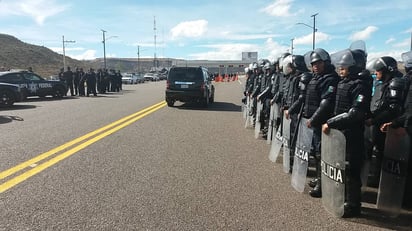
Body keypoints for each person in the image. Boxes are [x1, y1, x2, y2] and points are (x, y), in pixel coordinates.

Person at [322, 49, 370, 217]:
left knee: (351, 169)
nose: (340, 70)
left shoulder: (360, 85)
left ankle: (353, 205)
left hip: (353, 134)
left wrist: (330, 122)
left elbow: (355, 113)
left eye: (344, 67)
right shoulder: (343, 83)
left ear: (354, 67)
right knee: (340, 165)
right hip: (341, 133)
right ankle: (343, 196)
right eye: (340, 67)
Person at [303, 48, 339, 197]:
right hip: (315, 123)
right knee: (317, 153)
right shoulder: (316, 77)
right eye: (313, 64)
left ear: (326, 62)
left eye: (318, 63)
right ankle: (319, 178)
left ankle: (323, 186)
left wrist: (313, 119)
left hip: (322, 123)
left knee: (323, 153)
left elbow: (326, 104)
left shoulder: (330, 79)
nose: (315, 66)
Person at [365, 56, 406, 187]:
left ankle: (379, 180)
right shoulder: (385, 83)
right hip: (381, 124)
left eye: (378, 70)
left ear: (387, 70)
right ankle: (376, 178)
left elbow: (394, 108)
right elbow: (381, 104)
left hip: (388, 125)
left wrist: (375, 120)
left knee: (382, 152)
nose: (375, 73)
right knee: (377, 150)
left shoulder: (395, 83)